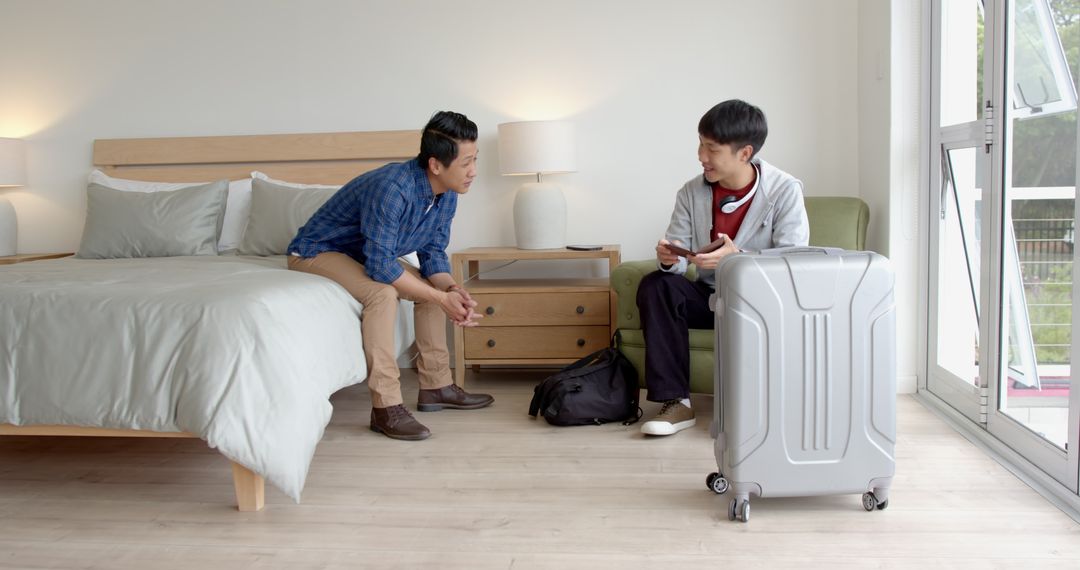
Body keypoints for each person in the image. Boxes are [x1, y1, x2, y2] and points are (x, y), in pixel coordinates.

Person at [287, 111, 494, 441]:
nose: (474, 172)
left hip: (361, 253)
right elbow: (381, 267)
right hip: (316, 251)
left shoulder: (449, 192)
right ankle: (386, 407)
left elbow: (432, 253)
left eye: (475, 160)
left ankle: (437, 386)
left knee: (430, 288)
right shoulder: (391, 188)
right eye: (466, 163)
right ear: (435, 165)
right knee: (382, 293)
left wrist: (452, 290)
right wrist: (440, 297)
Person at [637, 99, 809, 437]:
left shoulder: (785, 190)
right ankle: (676, 403)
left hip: (763, 303)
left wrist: (738, 257)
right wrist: (670, 259)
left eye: (712, 149)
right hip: (711, 298)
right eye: (700, 144)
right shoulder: (691, 192)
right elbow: (678, 255)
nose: (701, 156)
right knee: (656, 285)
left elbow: (794, 264)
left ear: (745, 153)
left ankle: (767, 408)